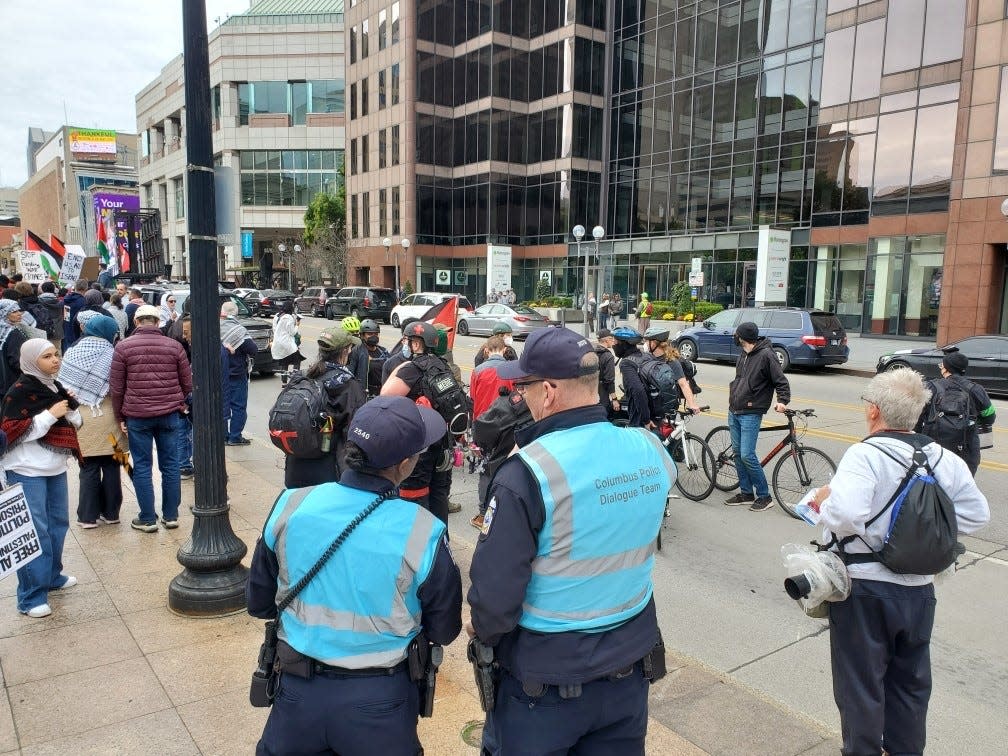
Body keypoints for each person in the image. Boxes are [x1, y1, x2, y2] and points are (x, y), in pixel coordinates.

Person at [467, 327, 677, 755]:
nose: (517, 397)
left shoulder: (527, 474)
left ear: (547, 391)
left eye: (521, 387)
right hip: (628, 671)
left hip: (544, 686)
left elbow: (495, 593)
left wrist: (482, 631)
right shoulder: (650, 449)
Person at [247, 396, 462, 755]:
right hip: (381, 704)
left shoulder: (290, 504)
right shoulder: (424, 532)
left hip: (297, 696)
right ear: (405, 464)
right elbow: (445, 628)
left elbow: (258, 603)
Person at [810, 368, 989, 756]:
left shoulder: (865, 454)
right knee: (910, 685)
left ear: (874, 411)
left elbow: (844, 517)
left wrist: (824, 498)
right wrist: (920, 531)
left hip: (864, 590)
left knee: (861, 687)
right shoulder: (943, 458)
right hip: (919, 591)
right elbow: (977, 516)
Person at [0, 339, 82, 618]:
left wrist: (69, 407)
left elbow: (75, 421)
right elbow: (12, 432)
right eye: (47, 356)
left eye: (56, 354)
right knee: (35, 533)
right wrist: (50, 414)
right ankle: (30, 596)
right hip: (26, 469)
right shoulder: (19, 392)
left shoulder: (53, 386)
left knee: (58, 525)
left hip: (54, 466)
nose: (55, 360)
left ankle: (51, 577)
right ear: (32, 361)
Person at [109, 304, 192, 532]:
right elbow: (187, 383)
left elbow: (117, 388)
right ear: (157, 323)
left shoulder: (123, 347)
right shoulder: (174, 346)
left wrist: (120, 416)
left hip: (137, 415)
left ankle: (147, 518)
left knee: (143, 466)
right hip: (169, 414)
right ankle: (171, 515)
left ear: (136, 322)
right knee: (171, 464)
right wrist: (178, 400)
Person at [380, 321, 453, 524]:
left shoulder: (411, 369)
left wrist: (402, 367)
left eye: (408, 340)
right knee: (439, 496)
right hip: (442, 443)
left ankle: (417, 549)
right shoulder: (442, 365)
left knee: (415, 498)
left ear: (417, 344)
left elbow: (385, 396)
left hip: (420, 445)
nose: (406, 344)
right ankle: (440, 546)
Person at [58, 315, 126, 528]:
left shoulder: (71, 352)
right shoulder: (113, 354)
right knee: (114, 465)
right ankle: (112, 513)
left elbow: (62, 386)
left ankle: (88, 517)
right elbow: (119, 387)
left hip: (83, 419)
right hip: (110, 419)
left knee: (88, 468)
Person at [282, 326, 367, 488]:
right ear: (345, 351)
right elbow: (355, 433)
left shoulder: (303, 376)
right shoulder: (347, 385)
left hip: (295, 468)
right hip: (328, 472)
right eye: (350, 348)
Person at [725, 321, 790, 512]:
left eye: (736, 335)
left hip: (751, 412)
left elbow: (781, 381)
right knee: (738, 454)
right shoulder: (743, 354)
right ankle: (746, 492)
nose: (734, 338)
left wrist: (783, 400)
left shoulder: (766, 355)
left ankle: (764, 496)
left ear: (742, 338)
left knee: (747, 454)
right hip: (735, 408)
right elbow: (740, 380)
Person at [914, 351, 996, 476]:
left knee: (930, 486)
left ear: (946, 369)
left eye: (942, 365)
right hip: (967, 448)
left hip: (932, 446)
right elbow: (990, 417)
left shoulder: (930, 387)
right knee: (961, 486)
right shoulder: (976, 389)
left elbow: (916, 416)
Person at [471, 387, 532, 529]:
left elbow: (481, 432)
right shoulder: (547, 406)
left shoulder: (504, 403)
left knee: (487, 471)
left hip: (500, 460)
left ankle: (483, 514)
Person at [220, 300, 258, 446]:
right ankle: (235, 437)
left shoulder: (213, 327)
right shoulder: (239, 330)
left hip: (218, 374)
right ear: (236, 314)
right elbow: (253, 350)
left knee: (221, 404)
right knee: (238, 406)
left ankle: (223, 435)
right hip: (236, 373)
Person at [642, 325, 702, 414]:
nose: (645, 344)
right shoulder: (647, 357)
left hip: (666, 405)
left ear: (654, 343)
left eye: (647, 341)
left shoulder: (671, 361)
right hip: (650, 402)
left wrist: (692, 404)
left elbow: (683, 384)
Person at [611, 327, 651, 428]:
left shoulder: (627, 363)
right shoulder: (646, 356)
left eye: (615, 341)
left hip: (639, 417)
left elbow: (638, 390)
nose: (613, 344)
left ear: (623, 344)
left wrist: (646, 420)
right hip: (653, 410)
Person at [470, 334, 514, 420]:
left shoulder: (478, 371)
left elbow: (472, 397)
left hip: (482, 418)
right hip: (505, 418)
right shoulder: (511, 370)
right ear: (504, 350)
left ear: (486, 350)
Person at [0, 301, 27, 394]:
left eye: (19, 310)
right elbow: (17, 361)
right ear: (4, 314)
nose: (19, 313)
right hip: (11, 382)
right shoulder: (13, 333)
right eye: (14, 311)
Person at [270, 301, 302, 378]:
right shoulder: (289, 317)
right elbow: (292, 333)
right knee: (297, 360)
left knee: (284, 361)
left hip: (278, 342)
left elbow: (274, 329)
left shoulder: (277, 316)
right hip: (287, 342)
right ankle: (295, 378)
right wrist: (297, 325)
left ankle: (284, 382)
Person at [593, 328, 620, 419]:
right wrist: (614, 399)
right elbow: (609, 380)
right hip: (603, 393)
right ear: (607, 340)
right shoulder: (608, 356)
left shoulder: (591, 352)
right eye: (612, 338)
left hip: (591, 390)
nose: (613, 341)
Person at [359, 318, 388, 397]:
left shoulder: (383, 351)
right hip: (368, 394)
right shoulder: (358, 353)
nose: (374, 337)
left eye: (376, 334)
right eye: (370, 334)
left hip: (384, 392)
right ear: (362, 335)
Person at [341, 316, 369, 390]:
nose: (356, 334)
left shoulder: (362, 347)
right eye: (352, 332)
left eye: (357, 331)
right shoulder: (339, 348)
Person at [62, 279, 89, 351]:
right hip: (77, 333)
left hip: (66, 329)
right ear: (86, 289)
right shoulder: (83, 302)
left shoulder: (66, 299)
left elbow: (65, 316)